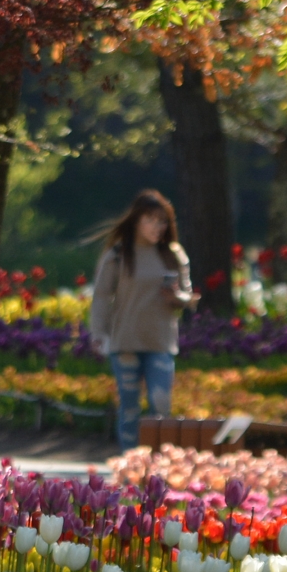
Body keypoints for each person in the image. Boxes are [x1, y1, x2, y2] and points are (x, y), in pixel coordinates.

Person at [88, 189, 198, 449]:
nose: (157, 227)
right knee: (129, 406)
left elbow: (188, 296)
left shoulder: (173, 253)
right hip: (125, 340)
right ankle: (130, 467)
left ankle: (160, 467)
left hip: (160, 341)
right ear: (136, 220)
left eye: (162, 221)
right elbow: (102, 296)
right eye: (150, 220)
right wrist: (98, 333)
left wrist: (178, 297)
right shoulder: (118, 253)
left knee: (161, 405)